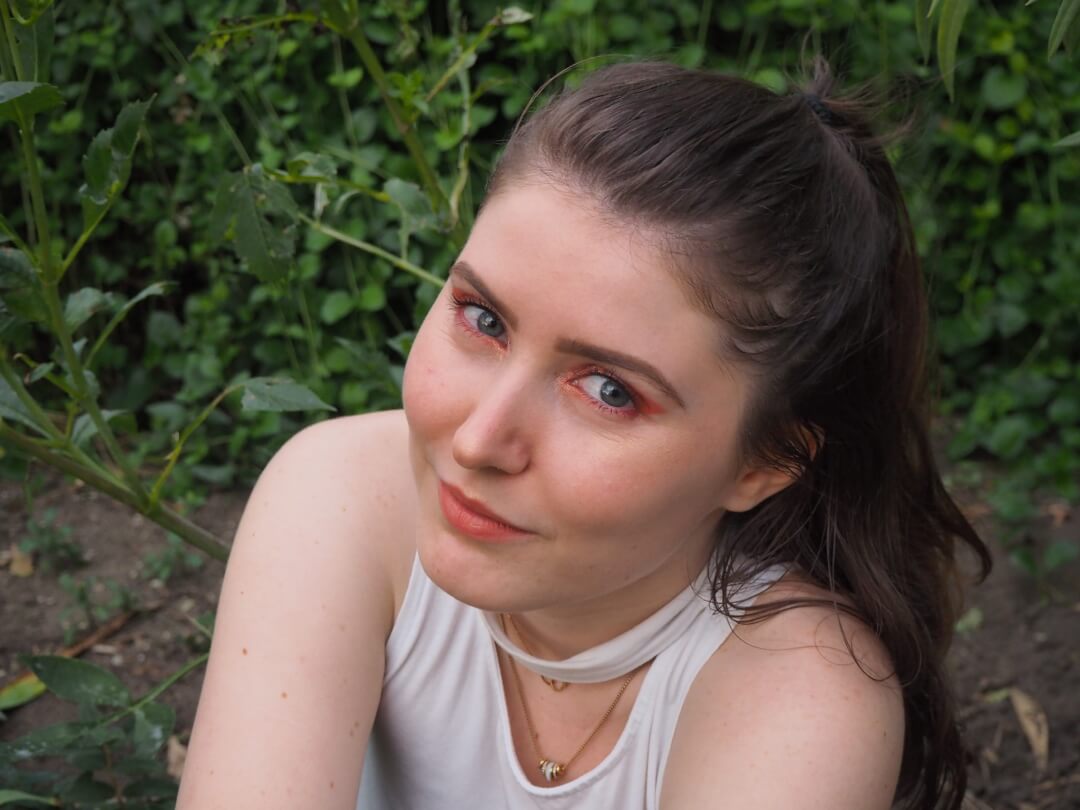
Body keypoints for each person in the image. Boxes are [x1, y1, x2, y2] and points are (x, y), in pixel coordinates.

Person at [176, 57, 990, 810]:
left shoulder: (806, 690)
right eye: (482, 318)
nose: (478, 442)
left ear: (765, 460)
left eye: (609, 391)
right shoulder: (342, 494)